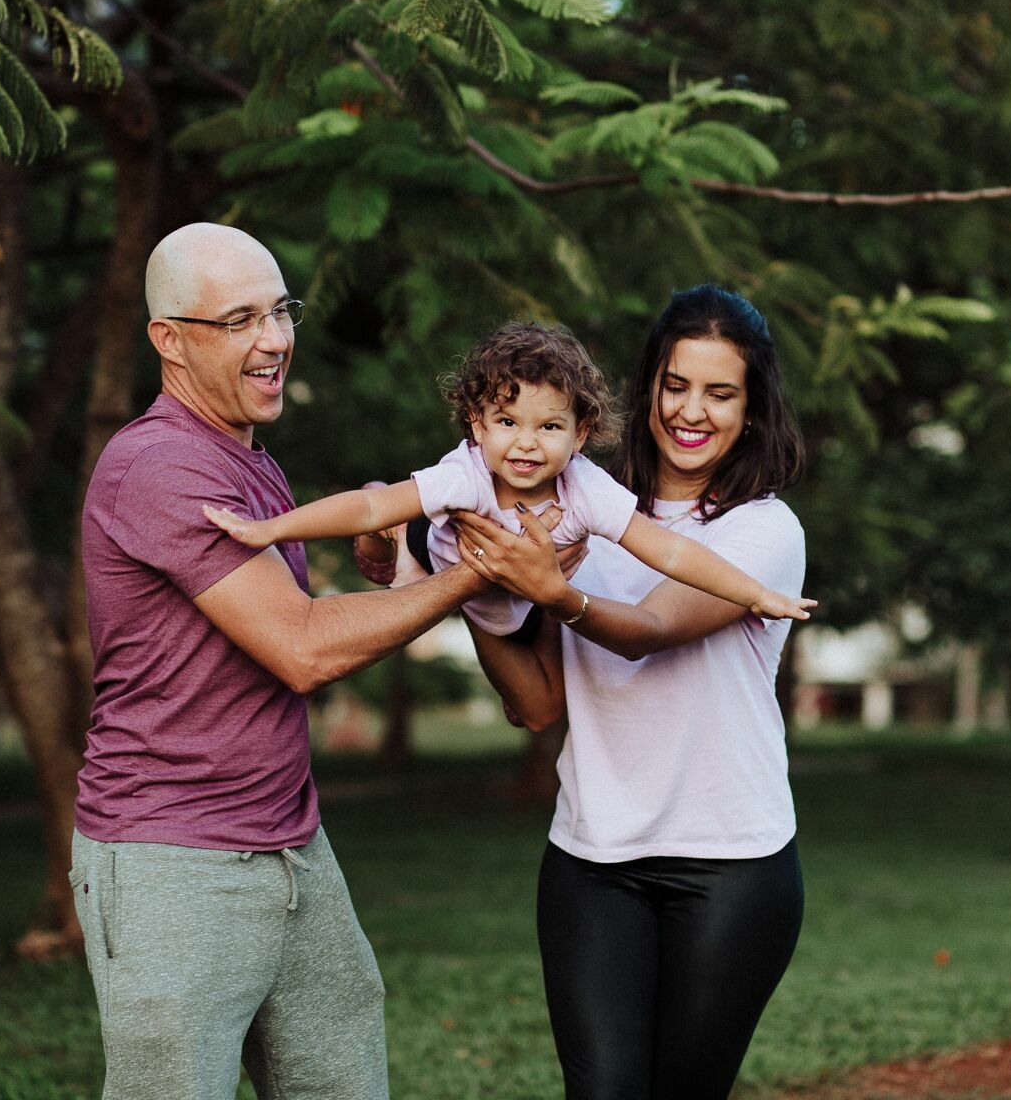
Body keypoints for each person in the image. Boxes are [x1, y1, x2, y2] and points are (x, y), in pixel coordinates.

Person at [70, 222, 497, 1100]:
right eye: (239, 321)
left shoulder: (251, 462)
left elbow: (294, 627)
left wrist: (391, 567)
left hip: (291, 844)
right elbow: (301, 647)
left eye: (281, 311)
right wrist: (479, 576)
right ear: (171, 340)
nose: (274, 341)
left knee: (341, 1078)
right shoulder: (156, 466)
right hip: (172, 858)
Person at [448, 284, 811, 1100]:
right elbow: (536, 705)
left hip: (731, 867)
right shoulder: (577, 504)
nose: (692, 411)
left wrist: (553, 590)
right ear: (647, 387)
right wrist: (477, 586)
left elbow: (647, 629)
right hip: (594, 860)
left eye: (721, 393)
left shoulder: (762, 530)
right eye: (675, 384)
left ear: (751, 408)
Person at [204, 321, 814, 632]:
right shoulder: (467, 473)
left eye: (548, 428)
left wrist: (755, 594)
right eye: (505, 421)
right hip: (438, 562)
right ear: (476, 422)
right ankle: (399, 540)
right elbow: (366, 510)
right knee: (387, 529)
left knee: (525, 687)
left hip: (519, 600)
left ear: (579, 436)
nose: (524, 443)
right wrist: (272, 529)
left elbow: (674, 553)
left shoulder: (586, 489)